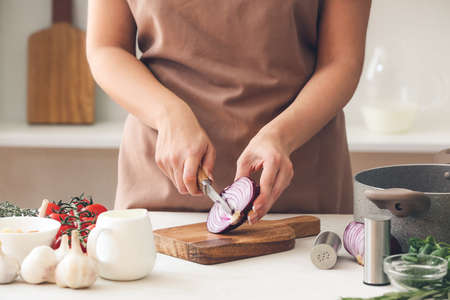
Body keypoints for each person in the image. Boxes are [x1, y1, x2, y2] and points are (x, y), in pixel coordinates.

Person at [86, 0, 371, 224]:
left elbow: (341, 62)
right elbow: (106, 48)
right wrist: (169, 115)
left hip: (299, 185)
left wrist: (281, 136)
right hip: (161, 186)